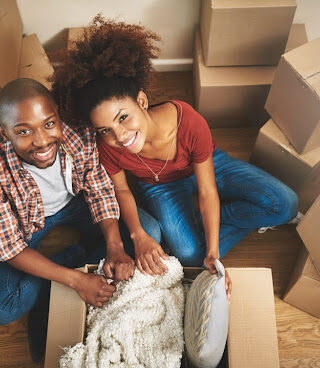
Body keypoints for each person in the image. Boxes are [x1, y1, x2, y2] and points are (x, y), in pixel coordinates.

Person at [52, 17, 298, 298]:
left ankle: (198, 227)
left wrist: (214, 252)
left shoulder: (188, 120)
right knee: (191, 258)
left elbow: (207, 190)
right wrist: (138, 235)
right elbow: (120, 190)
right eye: (105, 129)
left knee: (285, 204)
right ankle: (193, 235)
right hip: (158, 185)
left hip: (205, 166)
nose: (119, 136)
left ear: (141, 101)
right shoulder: (106, 144)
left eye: (123, 118)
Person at [0, 78, 161, 362]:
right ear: (4, 132)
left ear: (59, 117)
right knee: (5, 308)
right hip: (25, 224)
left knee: (148, 231)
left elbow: (99, 189)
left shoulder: (79, 134)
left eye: (49, 124)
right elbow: (9, 247)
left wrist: (115, 247)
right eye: (23, 131)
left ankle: (60, 269)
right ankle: (69, 262)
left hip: (76, 204)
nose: (41, 141)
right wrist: (76, 280)